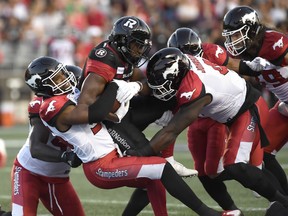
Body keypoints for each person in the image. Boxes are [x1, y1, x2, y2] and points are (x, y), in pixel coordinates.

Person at [25, 56, 223, 216]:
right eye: (57, 78)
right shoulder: (50, 107)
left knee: (153, 179)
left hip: (112, 156)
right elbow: (96, 113)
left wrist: (121, 101)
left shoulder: (70, 96)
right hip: (101, 166)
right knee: (161, 167)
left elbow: (109, 115)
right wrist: (112, 85)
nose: (65, 78)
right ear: (43, 86)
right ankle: (208, 213)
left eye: (63, 74)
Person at [126, 47, 288, 214]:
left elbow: (172, 131)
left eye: (163, 85)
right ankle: (236, 209)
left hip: (247, 108)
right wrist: (136, 87)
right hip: (228, 112)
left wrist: (142, 152)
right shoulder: (183, 64)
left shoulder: (194, 87)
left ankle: (283, 201)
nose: (159, 90)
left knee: (236, 166)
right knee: (205, 174)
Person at [166, 27, 244, 214]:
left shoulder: (213, 52)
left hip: (215, 115)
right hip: (195, 119)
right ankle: (231, 210)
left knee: (213, 169)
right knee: (201, 172)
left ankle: (252, 172)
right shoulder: (176, 67)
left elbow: (233, 72)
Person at [221, 5, 288, 198]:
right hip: (285, 104)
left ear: (250, 31)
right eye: (230, 36)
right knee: (263, 152)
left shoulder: (273, 41)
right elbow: (237, 67)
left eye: (235, 35)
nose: (232, 41)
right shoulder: (246, 52)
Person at [10, 60, 85, 216]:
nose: (67, 81)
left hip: (58, 177)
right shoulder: (46, 106)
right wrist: (66, 156)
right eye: (58, 78)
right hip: (28, 172)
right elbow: (36, 148)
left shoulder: (82, 103)